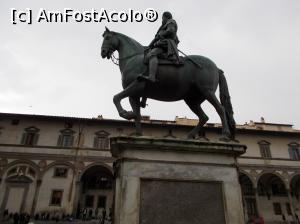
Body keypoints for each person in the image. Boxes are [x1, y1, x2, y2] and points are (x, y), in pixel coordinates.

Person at [139, 11, 180, 83]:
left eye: (162, 18)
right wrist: (148, 47)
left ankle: (152, 77)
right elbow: (156, 39)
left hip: (167, 44)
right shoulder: (162, 27)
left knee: (152, 54)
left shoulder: (171, 22)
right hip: (161, 44)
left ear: (166, 17)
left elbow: (171, 30)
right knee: (149, 53)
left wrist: (162, 34)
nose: (162, 20)